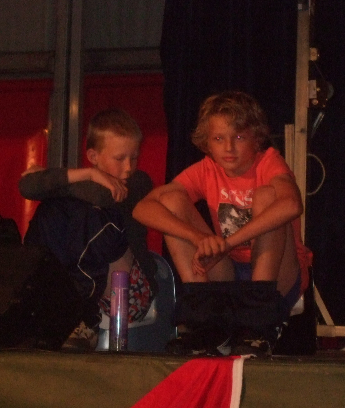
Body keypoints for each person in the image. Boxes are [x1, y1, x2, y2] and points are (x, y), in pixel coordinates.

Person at [132, 90, 312, 355]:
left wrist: (227, 244)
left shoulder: (268, 162)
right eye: (218, 138)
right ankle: (204, 319)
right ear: (207, 142)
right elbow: (142, 209)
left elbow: (292, 205)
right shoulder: (207, 169)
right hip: (229, 271)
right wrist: (199, 239)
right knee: (171, 200)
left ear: (256, 138)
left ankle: (259, 323)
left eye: (238, 137)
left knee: (267, 195)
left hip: (277, 274)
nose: (228, 148)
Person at [19, 108, 156, 351]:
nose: (128, 167)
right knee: (52, 210)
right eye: (120, 158)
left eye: (134, 158)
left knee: (90, 215)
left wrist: (52, 180)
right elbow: (26, 187)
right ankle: (38, 301)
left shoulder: (138, 182)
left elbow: (102, 195)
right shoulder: (90, 178)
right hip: (80, 283)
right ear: (93, 156)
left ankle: (83, 318)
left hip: (130, 292)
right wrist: (89, 174)